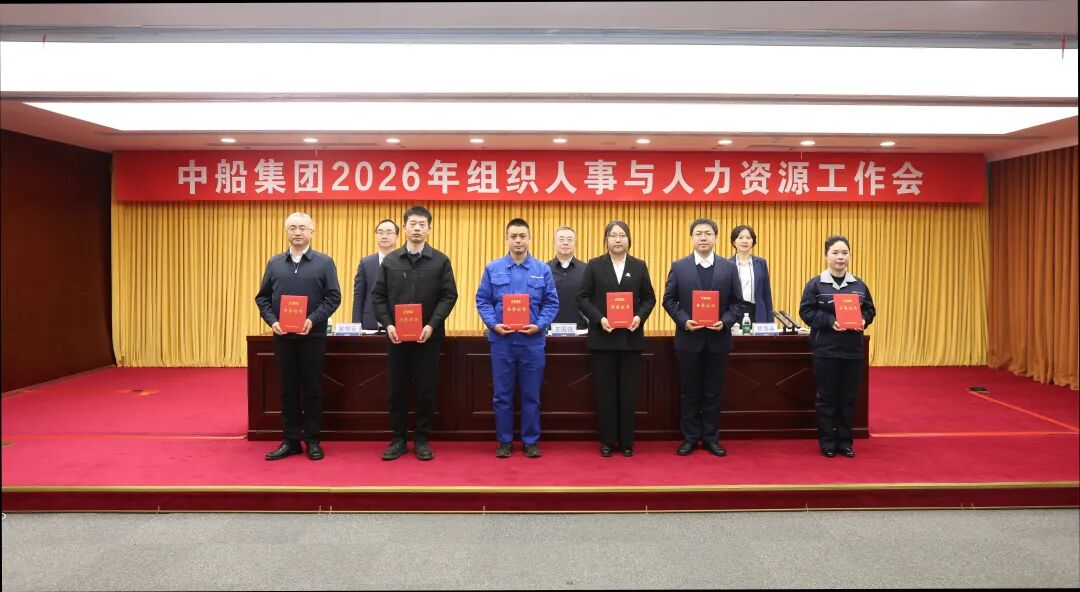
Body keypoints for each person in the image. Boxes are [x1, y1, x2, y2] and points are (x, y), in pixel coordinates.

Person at [371, 205, 458, 461]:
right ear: (405, 228)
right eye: (413, 224)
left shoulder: (440, 260)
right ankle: (398, 439)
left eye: (422, 224)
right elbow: (378, 296)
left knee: (426, 389)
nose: (417, 228)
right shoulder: (390, 261)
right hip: (396, 338)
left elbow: (449, 295)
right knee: (396, 389)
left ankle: (421, 439)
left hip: (428, 337)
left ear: (429, 228)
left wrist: (432, 324)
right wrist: (388, 324)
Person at [255, 212, 341, 461]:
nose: (297, 232)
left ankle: (313, 440)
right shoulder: (275, 263)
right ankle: (291, 440)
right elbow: (262, 298)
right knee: (288, 389)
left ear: (312, 232)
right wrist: (273, 321)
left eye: (302, 228)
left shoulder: (324, 263)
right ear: (286, 232)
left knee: (313, 389)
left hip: (313, 336)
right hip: (283, 337)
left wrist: (312, 319)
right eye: (292, 227)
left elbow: (334, 297)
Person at [662, 218, 748, 457]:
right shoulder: (679, 266)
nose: (703, 237)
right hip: (689, 340)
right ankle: (690, 438)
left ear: (715, 238)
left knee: (713, 392)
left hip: (718, 340)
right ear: (691, 238)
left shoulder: (728, 268)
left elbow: (737, 303)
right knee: (689, 392)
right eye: (698, 233)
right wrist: (684, 320)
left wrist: (726, 321)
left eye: (708, 233)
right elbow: (669, 300)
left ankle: (711, 438)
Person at [475, 218, 560, 458]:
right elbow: (483, 300)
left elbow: (551, 303)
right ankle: (504, 441)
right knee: (502, 395)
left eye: (522, 236)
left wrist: (539, 325)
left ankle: (530, 441)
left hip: (532, 342)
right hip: (501, 341)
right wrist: (493, 324)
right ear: (507, 239)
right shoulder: (493, 268)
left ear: (529, 239)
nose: (518, 241)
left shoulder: (542, 270)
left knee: (531, 394)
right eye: (513, 236)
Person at [576, 220, 656, 457]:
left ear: (629, 239)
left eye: (622, 235)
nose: (618, 239)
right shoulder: (594, 265)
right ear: (606, 239)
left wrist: (639, 317)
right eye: (613, 235)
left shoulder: (639, 266)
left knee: (628, 393)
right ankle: (608, 441)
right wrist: (599, 319)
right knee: (606, 393)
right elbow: (582, 297)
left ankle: (627, 441)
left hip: (630, 339)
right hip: (603, 339)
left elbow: (649, 298)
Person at [799, 235, 876, 459]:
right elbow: (806, 311)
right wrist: (830, 321)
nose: (840, 257)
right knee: (827, 397)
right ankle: (827, 441)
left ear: (849, 256)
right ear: (826, 256)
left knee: (848, 397)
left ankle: (845, 441)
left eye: (844, 253)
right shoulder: (815, 284)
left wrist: (864, 319)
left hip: (852, 350)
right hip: (825, 349)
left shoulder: (859, 285)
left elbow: (870, 310)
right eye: (835, 253)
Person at [352, 218, 399, 330]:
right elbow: (358, 296)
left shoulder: (404, 261)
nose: (384, 236)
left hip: (397, 322)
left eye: (388, 232)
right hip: (370, 323)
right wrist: (356, 325)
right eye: (380, 232)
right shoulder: (366, 263)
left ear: (397, 236)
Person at [729, 225, 775, 323]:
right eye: (740, 238)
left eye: (748, 238)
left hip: (756, 311)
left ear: (753, 242)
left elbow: (766, 294)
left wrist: (770, 322)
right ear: (734, 242)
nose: (745, 241)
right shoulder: (727, 264)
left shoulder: (761, 263)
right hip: (734, 311)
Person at [547, 226, 589, 329]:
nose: (565, 243)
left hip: (580, 329)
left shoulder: (587, 269)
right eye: (561, 239)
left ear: (575, 244)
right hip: (550, 329)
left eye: (569, 240)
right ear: (554, 243)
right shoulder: (545, 269)